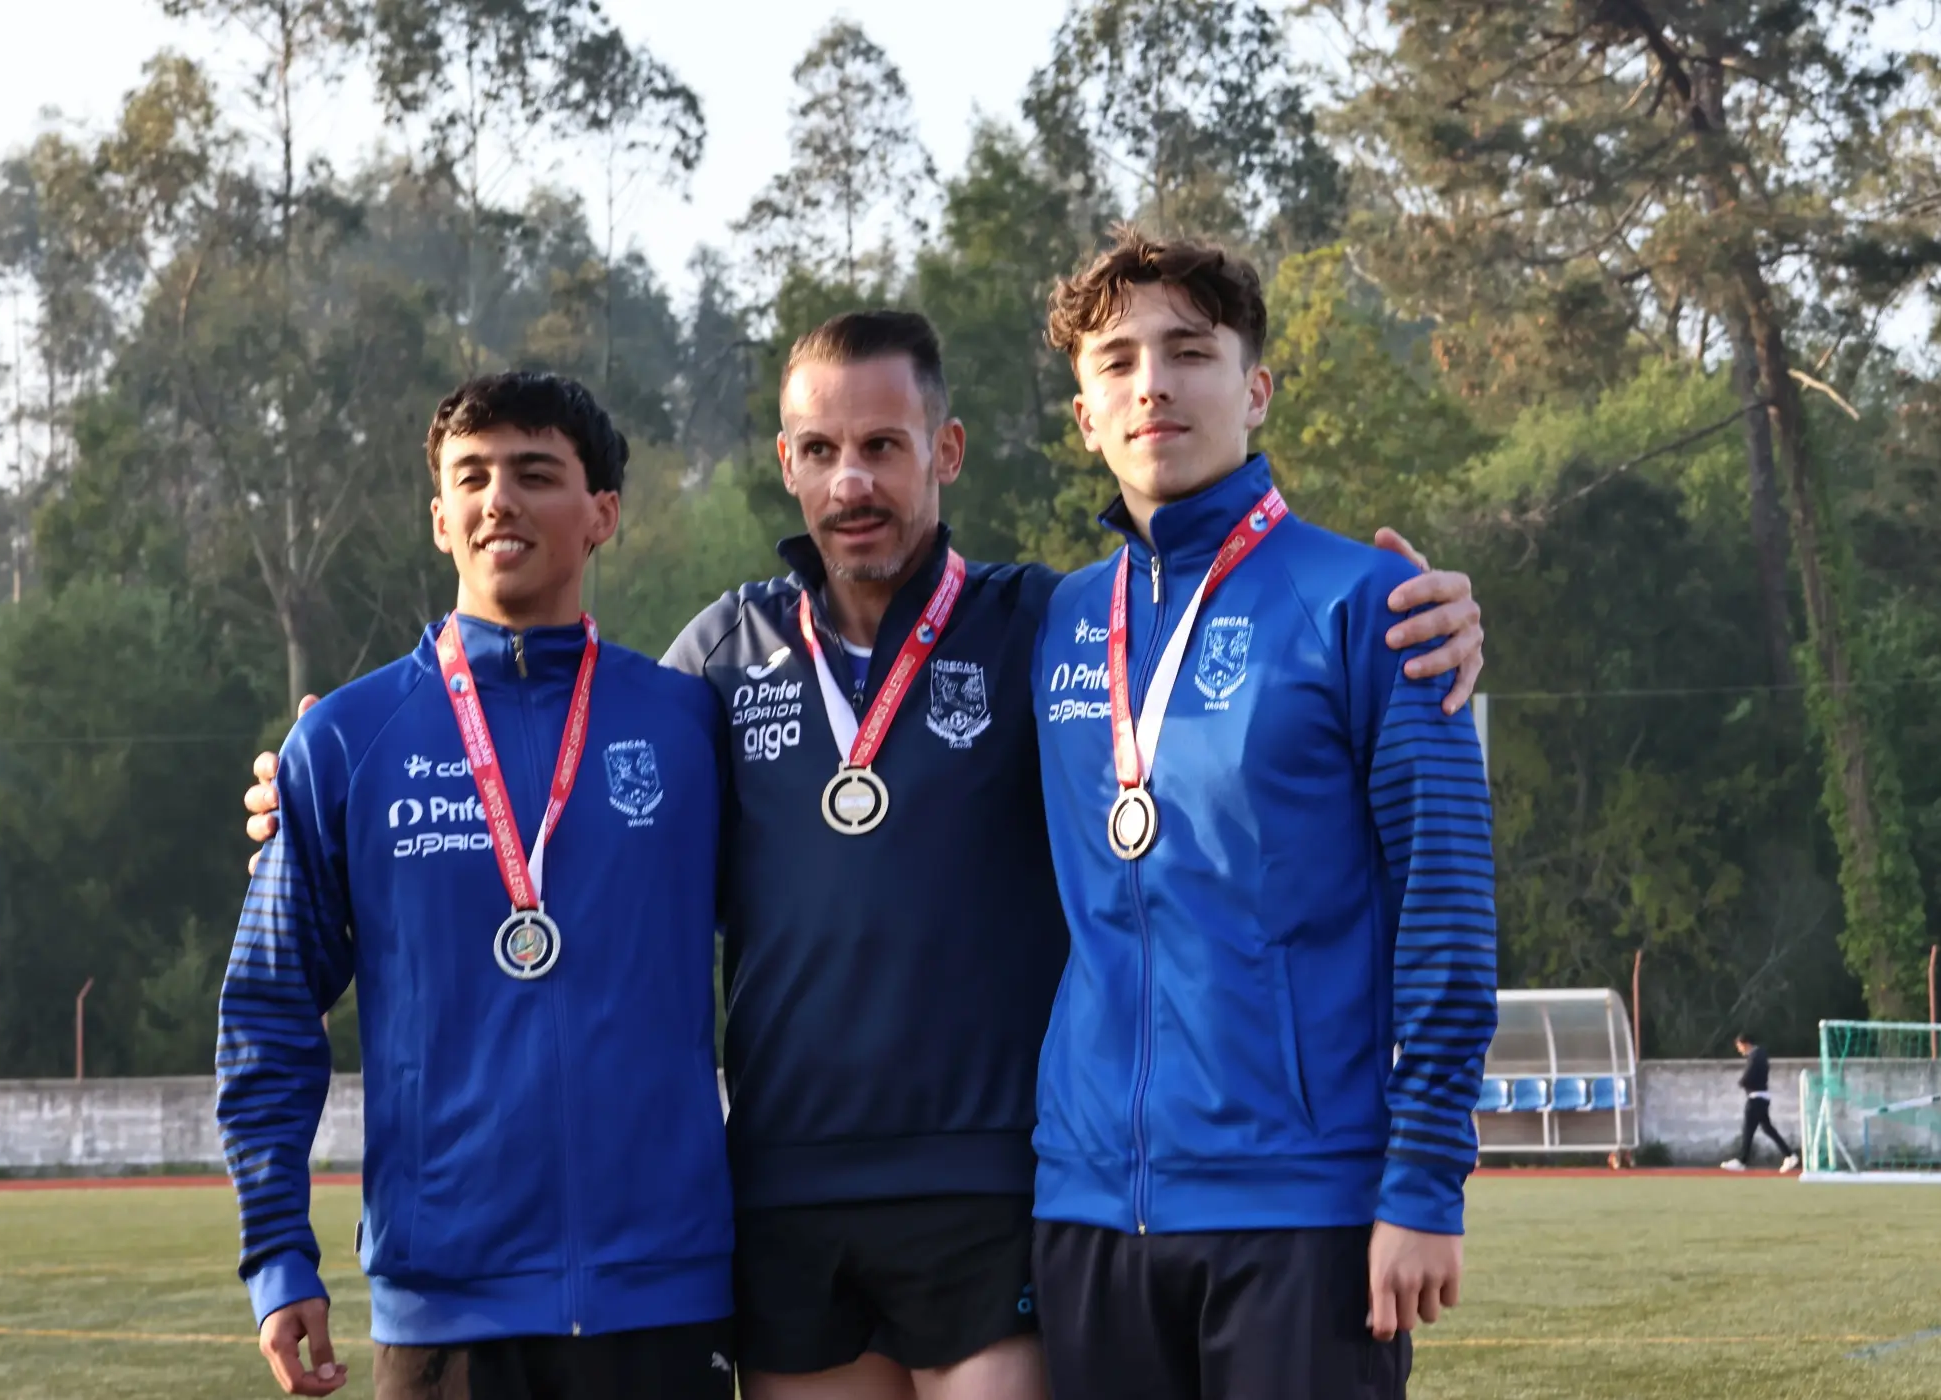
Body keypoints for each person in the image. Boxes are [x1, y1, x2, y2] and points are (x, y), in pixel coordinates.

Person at [245, 315, 1489, 1400]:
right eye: (823, 450)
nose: (855, 480)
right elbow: (563, 789)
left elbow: (1184, 645)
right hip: (782, 1192)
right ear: (786, 464)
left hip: (991, 1182)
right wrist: (310, 779)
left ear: (942, 454)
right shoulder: (712, 669)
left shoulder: (1041, 626)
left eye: (885, 446)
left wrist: (1429, 614)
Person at [1025, 228, 1500, 1400]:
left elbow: (1447, 904)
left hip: (1303, 1208)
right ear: (1084, 413)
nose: (1154, 383)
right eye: (1118, 360)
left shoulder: (1375, 606)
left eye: (1190, 350)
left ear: (1256, 385)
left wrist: (1425, 1178)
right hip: (1087, 1210)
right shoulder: (1053, 624)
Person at [219, 372, 735, 1400]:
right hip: (444, 1300)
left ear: (603, 514)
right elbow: (272, 1008)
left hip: (663, 1298)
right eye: (473, 477)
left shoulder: (688, 726)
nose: (499, 498)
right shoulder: (347, 742)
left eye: (535, 473)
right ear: (440, 519)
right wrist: (278, 1249)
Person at [1722, 1033, 1800, 1173]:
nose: (1740, 1050)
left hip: (1756, 1098)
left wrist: (1743, 1082)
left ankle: (1742, 1161)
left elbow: (1749, 1075)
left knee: (1748, 1129)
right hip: (1762, 1097)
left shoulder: (1756, 1056)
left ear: (1745, 1044)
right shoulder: (1760, 1055)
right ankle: (1789, 1155)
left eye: (1740, 1047)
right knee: (1767, 1128)